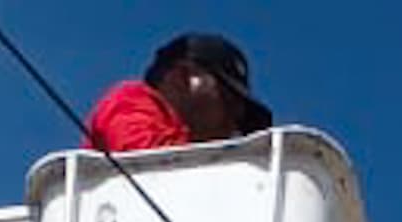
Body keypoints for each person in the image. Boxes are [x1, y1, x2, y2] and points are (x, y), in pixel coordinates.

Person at [86, 32, 274, 153]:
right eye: (228, 101)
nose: (233, 125)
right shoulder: (130, 99)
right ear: (183, 77)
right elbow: (147, 162)